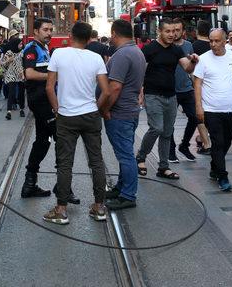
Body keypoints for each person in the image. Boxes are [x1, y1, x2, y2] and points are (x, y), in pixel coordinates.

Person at [43, 22, 109, 225]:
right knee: (96, 161)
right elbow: (106, 91)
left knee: (65, 163)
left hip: (66, 116)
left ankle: (61, 210)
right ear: (90, 39)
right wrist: (96, 109)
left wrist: (57, 109)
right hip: (90, 115)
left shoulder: (58, 55)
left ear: (71, 35)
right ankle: (99, 207)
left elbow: (49, 87)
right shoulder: (96, 57)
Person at [21, 18, 78, 201]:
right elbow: (28, 73)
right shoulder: (31, 49)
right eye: (45, 29)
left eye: (51, 29)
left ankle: (29, 184)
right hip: (41, 102)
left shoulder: (45, 49)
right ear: (36, 31)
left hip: (45, 100)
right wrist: (52, 76)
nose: (49, 33)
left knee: (42, 141)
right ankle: (63, 188)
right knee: (62, 139)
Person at [135, 18, 199, 180]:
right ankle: (141, 157)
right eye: (168, 31)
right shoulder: (149, 49)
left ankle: (163, 167)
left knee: (167, 132)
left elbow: (187, 68)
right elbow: (140, 72)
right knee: (156, 128)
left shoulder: (176, 50)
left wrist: (193, 61)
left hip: (171, 96)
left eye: (174, 31)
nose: (172, 34)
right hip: (153, 95)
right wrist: (140, 92)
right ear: (160, 31)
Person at [194, 28, 232, 192]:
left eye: (217, 41)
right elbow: (197, 83)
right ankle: (223, 176)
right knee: (218, 142)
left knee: (226, 142)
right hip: (211, 109)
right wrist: (199, 106)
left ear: (225, 40)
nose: (213, 44)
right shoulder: (203, 59)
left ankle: (215, 166)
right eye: (211, 41)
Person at [100, 19, 146, 210]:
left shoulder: (122, 55)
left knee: (125, 155)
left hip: (119, 113)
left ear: (114, 34)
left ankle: (128, 195)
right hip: (130, 111)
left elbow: (115, 86)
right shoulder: (137, 52)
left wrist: (105, 109)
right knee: (124, 153)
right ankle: (121, 187)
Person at [169, 18, 200, 162]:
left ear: (183, 31)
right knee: (170, 122)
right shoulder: (167, 46)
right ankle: (171, 150)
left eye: (177, 30)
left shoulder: (188, 46)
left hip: (187, 89)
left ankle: (185, 145)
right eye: (172, 30)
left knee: (194, 117)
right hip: (170, 90)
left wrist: (196, 86)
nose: (174, 33)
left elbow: (192, 69)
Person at [191, 20, 213, 155]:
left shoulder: (193, 46)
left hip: (198, 84)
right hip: (212, 84)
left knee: (199, 114)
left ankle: (206, 143)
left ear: (197, 31)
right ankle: (204, 137)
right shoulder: (214, 45)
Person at [1, 37, 25, 120]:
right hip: (11, 75)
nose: (21, 45)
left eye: (22, 44)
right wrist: (8, 61)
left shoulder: (22, 52)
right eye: (20, 44)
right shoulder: (9, 53)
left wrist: (23, 72)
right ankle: (9, 111)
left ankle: (22, 109)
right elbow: (3, 65)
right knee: (11, 92)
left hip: (20, 75)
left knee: (21, 93)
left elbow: (25, 64)